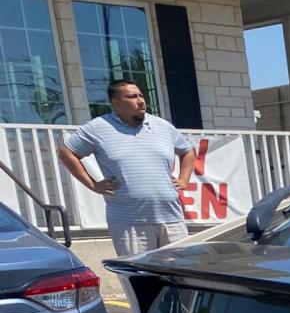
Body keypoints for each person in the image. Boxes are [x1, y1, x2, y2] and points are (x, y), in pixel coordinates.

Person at [58, 79, 196, 256]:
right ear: (116, 103)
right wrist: (93, 184)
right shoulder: (98, 128)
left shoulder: (162, 126)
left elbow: (187, 151)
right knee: (140, 279)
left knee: (179, 276)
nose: (140, 101)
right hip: (129, 222)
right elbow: (67, 153)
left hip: (171, 219)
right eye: (132, 97)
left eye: (141, 95)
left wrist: (184, 179)